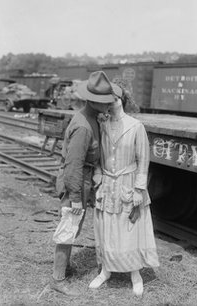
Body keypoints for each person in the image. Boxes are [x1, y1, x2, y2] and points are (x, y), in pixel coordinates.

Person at [51, 71, 122, 296]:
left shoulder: (92, 118)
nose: (109, 105)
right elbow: (73, 165)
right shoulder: (83, 127)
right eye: (105, 102)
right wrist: (75, 198)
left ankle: (65, 266)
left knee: (73, 227)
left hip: (82, 180)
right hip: (76, 181)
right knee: (68, 227)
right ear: (93, 101)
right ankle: (57, 278)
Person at [89, 91, 159, 296]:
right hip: (107, 184)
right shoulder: (102, 125)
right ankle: (105, 271)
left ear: (123, 101)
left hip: (128, 183)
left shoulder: (136, 126)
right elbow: (97, 156)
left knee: (129, 227)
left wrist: (139, 189)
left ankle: (135, 274)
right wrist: (97, 174)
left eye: (116, 99)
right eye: (108, 100)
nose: (112, 103)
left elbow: (143, 160)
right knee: (107, 228)